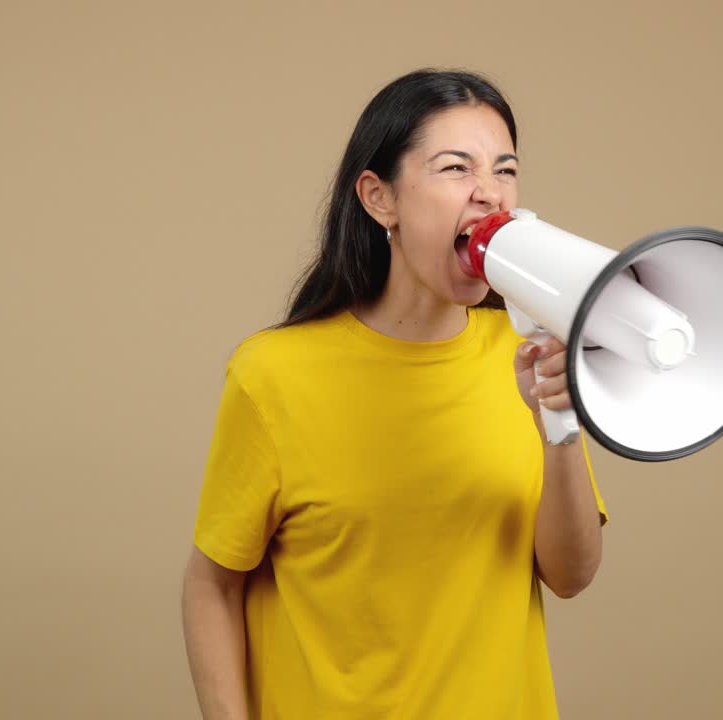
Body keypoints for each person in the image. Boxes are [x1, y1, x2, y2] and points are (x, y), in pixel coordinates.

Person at [182, 69, 608, 720]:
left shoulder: (528, 357)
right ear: (381, 199)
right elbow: (212, 586)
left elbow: (571, 575)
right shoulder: (274, 374)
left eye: (505, 169)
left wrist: (560, 426)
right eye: (455, 169)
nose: (488, 193)